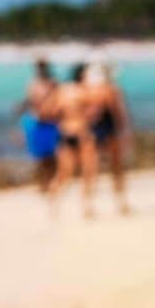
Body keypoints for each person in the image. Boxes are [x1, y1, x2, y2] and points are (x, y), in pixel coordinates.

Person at [45, 63, 98, 218]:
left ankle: (53, 206)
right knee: (88, 171)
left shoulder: (61, 91)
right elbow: (95, 112)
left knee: (63, 173)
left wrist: (63, 118)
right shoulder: (85, 91)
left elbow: (48, 112)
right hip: (82, 134)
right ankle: (86, 207)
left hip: (65, 132)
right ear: (83, 75)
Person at [85, 62, 132, 214]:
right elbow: (119, 114)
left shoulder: (89, 90)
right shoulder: (111, 90)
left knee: (91, 169)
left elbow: (84, 114)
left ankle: (88, 205)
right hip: (109, 129)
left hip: (92, 130)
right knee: (116, 167)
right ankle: (121, 203)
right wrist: (125, 132)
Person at [16, 59, 59, 191]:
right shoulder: (33, 85)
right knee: (40, 157)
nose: (41, 69)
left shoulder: (53, 83)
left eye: (43, 67)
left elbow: (59, 101)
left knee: (53, 155)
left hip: (51, 122)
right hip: (37, 122)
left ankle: (52, 181)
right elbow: (27, 102)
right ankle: (43, 183)